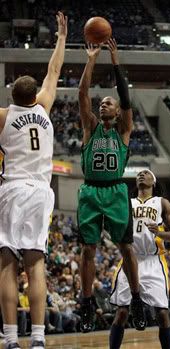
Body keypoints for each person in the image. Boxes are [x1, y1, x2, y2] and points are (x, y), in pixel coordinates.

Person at [0, 12, 67, 349]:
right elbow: (54, 71)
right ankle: (38, 337)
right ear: (33, 95)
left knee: (7, 264)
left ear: (12, 96)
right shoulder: (44, 108)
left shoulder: (3, 117)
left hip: (11, 189)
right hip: (41, 192)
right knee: (35, 263)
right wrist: (61, 38)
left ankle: (11, 338)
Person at [78, 38, 145, 333]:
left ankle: (137, 297)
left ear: (117, 112)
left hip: (117, 190)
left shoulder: (125, 130)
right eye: (101, 102)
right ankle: (88, 303)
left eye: (109, 102)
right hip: (91, 190)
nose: (102, 103)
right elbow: (82, 92)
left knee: (126, 247)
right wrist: (91, 58)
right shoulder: (89, 126)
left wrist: (115, 61)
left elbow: (126, 97)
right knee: (88, 249)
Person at [109, 169, 170, 349]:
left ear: (153, 182)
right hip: (129, 258)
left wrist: (160, 233)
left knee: (162, 313)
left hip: (153, 260)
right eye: (139, 174)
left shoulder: (162, 203)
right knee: (122, 312)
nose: (141, 175)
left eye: (146, 173)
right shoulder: (126, 203)